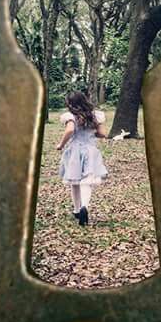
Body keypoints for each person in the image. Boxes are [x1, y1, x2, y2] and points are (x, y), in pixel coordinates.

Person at [56, 91, 108, 226]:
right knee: (87, 181)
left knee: (74, 180)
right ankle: (85, 206)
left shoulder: (70, 116)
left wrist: (61, 145)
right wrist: (91, 132)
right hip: (91, 149)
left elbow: (70, 130)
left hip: (75, 150)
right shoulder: (95, 115)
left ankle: (77, 210)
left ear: (70, 103)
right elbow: (103, 133)